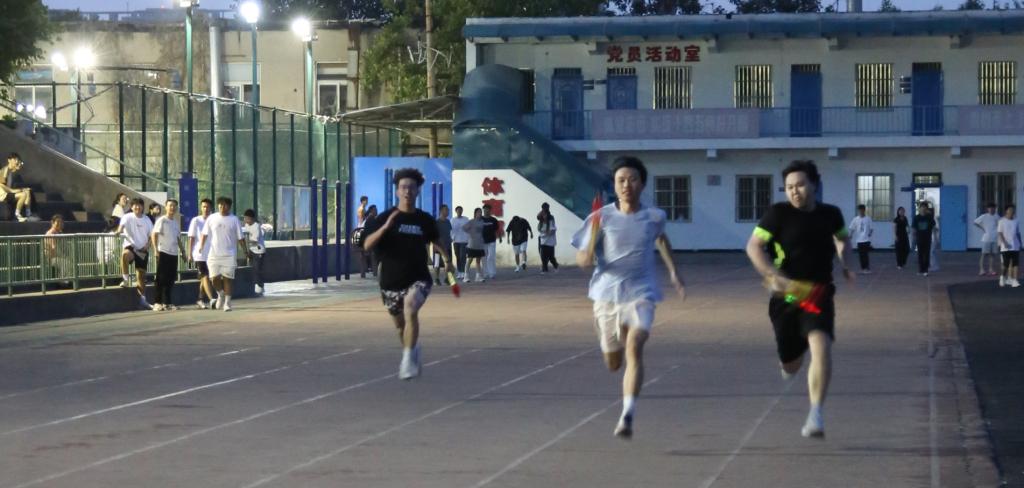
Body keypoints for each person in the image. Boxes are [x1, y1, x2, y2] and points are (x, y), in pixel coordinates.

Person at [572, 156, 686, 439]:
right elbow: (582, 256)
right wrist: (586, 256)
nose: (627, 185)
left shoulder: (654, 216)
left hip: (642, 293)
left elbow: (661, 238)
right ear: (614, 185)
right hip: (606, 295)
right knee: (614, 363)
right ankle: (610, 340)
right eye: (621, 180)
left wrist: (673, 271)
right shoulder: (600, 218)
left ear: (642, 184)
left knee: (634, 346)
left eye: (633, 179)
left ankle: (627, 415)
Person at [745, 160, 854, 438]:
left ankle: (816, 414)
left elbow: (842, 238)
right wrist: (773, 275)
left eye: (801, 185)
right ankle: (789, 361)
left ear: (814, 184)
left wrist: (845, 262)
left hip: (818, 292)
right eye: (789, 187)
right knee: (791, 363)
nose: (795, 191)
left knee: (821, 345)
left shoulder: (831, 214)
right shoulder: (777, 214)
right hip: (786, 294)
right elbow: (754, 246)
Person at [362, 168, 453, 380]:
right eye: (403, 187)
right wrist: (385, 228)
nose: (407, 191)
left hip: (418, 277)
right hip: (390, 281)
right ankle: (411, 349)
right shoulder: (384, 218)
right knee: (400, 327)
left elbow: (436, 240)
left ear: (418, 190)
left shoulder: (424, 219)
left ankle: (407, 360)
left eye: (412, 187)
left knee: (411, 308)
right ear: (397, 191)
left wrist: (448, 260)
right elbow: (367, 245)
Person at [199, 197, 245, 312]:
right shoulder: (212, 218)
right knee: (214, 278)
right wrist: (201, 246)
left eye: (224, 205)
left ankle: (227, 303)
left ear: (229, 206)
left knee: (227, 279)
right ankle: (220, 294)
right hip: (214, 254)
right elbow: (204, 234)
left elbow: (240, 237)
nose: (222, 207)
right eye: (220, 205)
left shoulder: (234, 219)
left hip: (229, 254)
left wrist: (245, 250)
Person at [116, 198, 154, 309]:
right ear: (132, 207)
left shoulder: (147, 220)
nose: (137, 207)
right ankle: (125, 279)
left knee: (141, 276)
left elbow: (152, 235)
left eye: (139, 205)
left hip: (142, 250)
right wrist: (118, 231)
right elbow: (121, 227)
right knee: (125, 255)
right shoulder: (127, 217)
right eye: (135, 205)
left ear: (143, 207)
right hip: (131, 247)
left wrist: (147, 245)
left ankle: (143, 300)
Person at [151, 200, 185, 311]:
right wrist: (155, 250)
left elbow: (178, 238)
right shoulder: (162, 220)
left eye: (174, 206)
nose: (172, 208)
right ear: (166, 207)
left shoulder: (175, 222)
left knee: (170, 279)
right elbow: (154, 234)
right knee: (161, 278)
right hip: (163, 252)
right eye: (170, 205)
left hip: (173, 253)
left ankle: (167, 303)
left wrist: (183, 251)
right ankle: (157, 302)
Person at [187, 198, 216, 309]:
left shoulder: (214, 220)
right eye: (204, 206)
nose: (206, 209)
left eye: (208, 207)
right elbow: (191, 238)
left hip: (211, 253)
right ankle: (212, 299)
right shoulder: (196, 220)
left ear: (211, 208)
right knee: (204, 276)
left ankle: (200, 299)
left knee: (207, 278)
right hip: (199, 253)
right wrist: (190, 253)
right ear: (201, 207)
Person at [1, 153, 33, 222]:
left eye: (17, 160)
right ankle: (17, 215)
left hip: (8, 193)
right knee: (23, 194)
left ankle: (28, 214)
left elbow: (16, 169)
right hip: (3, 195)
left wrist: (18, 166)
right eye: (15, 160)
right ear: (9, 160)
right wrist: (19, 190)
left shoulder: (10, 171)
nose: (17, 162)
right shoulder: (4, 171)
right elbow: (3, 187)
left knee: (27, 191)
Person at [242, 209, 267, 295]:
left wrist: (246, 240)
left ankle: (260, 286)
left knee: (257, 269)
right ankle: (255, 285)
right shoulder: (246, 225)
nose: (245, 220)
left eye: (246, 218)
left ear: (251, 218)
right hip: (251, 250)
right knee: (252, 268)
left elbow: (255, 240)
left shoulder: (256, 226)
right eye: (244, 218)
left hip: (259, 251)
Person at [997, 204, 1020, 288]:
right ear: (1006, 211)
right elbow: (1000, 233)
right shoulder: (1002, 221)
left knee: (1015, 264)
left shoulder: (1016, 221)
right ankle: (1002, 277)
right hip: (1005, 247)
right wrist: (1004, 243)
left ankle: (1015, 280)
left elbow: (1018, 233)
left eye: (1013, 210)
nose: (1012, 211)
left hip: (1015, 246)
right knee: (1006, 264)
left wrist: (1020, 243)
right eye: (1010, 209)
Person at [974, 203, 1000, 277]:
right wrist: (983, 228)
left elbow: (1001, 226)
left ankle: (991, 269)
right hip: (986, 238)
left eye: (993, 208)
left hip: (995, 238)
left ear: (995, 208)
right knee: (984, 254)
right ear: (987, 209)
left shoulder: (997, 216)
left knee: (992, 255)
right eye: (990, 208)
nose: (991, 209)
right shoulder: (984, 216)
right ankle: (981, 270)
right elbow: (975, 222)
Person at [462, 208, 487, 283]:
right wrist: (471, 233)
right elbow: (464, 228)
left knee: (478, 261)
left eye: (481, 212)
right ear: (475, 213)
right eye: (478, 212)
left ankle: (478, 276)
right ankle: (466, 276)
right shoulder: (471, 221)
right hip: (472, 244)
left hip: (479, 244)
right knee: (469, 260)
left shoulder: (482, 222)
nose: (480, 213)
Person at [912, 203, 936, 276]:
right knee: (920, 254)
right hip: (919, 238)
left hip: (927, 238)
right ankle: (921, 270)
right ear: (919, 208)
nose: (923, 208)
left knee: (927, 254)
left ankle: (926, 270)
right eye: (922, 207)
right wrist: (914, 237)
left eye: (925, 207)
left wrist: (935, 237)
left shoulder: (929, 217)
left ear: (926, 208)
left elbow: (933, 227)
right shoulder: (916, 217)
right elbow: (914, 228)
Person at [849, 204, 873, 274]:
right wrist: (850, 235)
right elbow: (852, 228)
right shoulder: (855, 219)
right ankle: (863, 268)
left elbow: (871, 228)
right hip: (859, 240)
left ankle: (867, 268)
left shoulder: (868, 218)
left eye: (862, 210)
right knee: (861, 255)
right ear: (858, 211)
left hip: (866, 239)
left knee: (865, 254)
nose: (861, 211)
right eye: (859, 210)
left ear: (864, 210)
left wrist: (870, 233)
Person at [432, 204, 453, 286]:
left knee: (448, 263)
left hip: (448, 246)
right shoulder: (436, 222)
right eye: (446, 210)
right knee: (437, 264)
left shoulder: (448, 222)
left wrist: (450, 239)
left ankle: (448, 279)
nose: (447, 211)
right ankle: (436, 279)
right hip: (438, 248)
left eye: (448, 210)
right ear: (441, 211)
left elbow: (449, 233)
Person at [538, 203, 560, 273]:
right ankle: (545, 269)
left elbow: (553, 230)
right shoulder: (540, 217)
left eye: (545, 215)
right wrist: (545, 233)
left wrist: (548, 233)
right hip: (543, 241)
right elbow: (539, 228)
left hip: (550, 242)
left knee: (551, 257)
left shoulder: (551, 218)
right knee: (543, 256)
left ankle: (555, 265)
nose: (544, 216)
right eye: (543, 215)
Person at [481, 204, 502, 279]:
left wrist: (500, 237)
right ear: (483, 210)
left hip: (492, 240)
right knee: (484, 257)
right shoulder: (480, 219)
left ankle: (492, 273)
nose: (486, 210)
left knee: (491, 256)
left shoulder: (493, 220)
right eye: (485, 209)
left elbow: (497, 229)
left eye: (488, 209)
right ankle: (485, 273)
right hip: (482, 241)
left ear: (490, 210)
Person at [358, 205, 379, 278]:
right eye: (375, 210)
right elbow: (374, 232)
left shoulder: (367, 219)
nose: (377, 211)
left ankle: (369, 270)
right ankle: (375, 270)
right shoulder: (371, 219)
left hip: (363, 241)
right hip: (367, 242)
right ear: (372, 211)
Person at [450, 206, 470, 280]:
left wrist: (469, 238)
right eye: (458, 210)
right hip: (456, 241)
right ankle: (459, 272)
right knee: (458, 256)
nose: (459, 211)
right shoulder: (452, 220)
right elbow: (450, 230)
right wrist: (452, 238)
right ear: (456, 211)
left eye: (461, 210)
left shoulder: (466, 219)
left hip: (464, 241)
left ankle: (463, 271)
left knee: (462, 256)